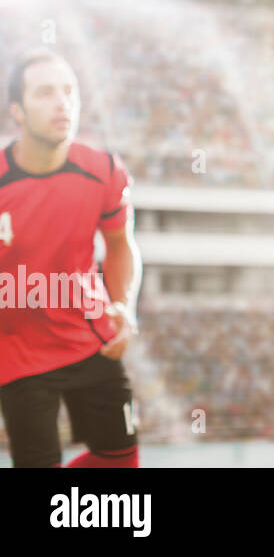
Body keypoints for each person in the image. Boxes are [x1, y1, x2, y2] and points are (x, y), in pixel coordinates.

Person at [0, 50, 142, 468]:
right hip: (17, 354)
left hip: (90, 340)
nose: (62, 102)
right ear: (18, 112)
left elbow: (120, 244)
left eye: (69, 91)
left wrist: (123, 305)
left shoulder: (103, 170)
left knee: (120, 461)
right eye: (45, 93)